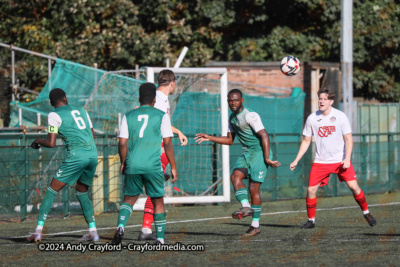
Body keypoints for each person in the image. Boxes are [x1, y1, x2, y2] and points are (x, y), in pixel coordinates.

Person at [195, 89, 281, 236]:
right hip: (247, 153)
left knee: (253, 189)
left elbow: (264, 136)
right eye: (230, 100)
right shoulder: (232, 118)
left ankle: (255, 225)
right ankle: (246, 206)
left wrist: (267, 158)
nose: (233, 103)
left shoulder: (250, 115)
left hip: (260, 153)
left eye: (236, 100)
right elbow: (229, 140)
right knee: (235, 177)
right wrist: (209, 137)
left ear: (242, 100)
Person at [290, 87, 377, 229]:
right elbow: (306, 141)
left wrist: (347, 159)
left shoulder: (340, 116)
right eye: (320, 98)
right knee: (311, 190)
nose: (321, 101)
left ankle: (366, 212)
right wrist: (296, 159)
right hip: (321, 162)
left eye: (324, 99)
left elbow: (349, 139)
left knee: (353, 187)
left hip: (340, 160)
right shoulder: (312, 118)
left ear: (331, 101)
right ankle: (311, 221)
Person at [28, 88, 99, 243]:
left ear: (52, 104)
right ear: (65, 99)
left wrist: (38, 141)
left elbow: (51, 143)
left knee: (51, 190)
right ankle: (93, 232)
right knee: (81, 192)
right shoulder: (82, 110)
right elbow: (91, 134)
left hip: (76, 156)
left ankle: (38, 231)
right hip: (93, 154)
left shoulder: (54, 115)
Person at [112, 82, 177, 245]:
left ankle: (120, 226)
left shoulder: (128, 116)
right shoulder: (161, 116)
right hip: (153, 165)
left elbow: (122, 143)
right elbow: (168, 143)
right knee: (158, 200)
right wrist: (173, 166)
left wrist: (123, 162)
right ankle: (160, 239)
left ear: (139, 98)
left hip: (132, 164)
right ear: (154, 99)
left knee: (129, 199)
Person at [139, 69, 188, 241]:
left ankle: (145, 228)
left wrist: (178, 131)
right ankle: (145, 229)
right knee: (155, 191)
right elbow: (149, 119)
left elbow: (163, 123)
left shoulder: (163, 99)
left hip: (159, 149)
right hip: (157, 149)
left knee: (154, 191)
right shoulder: (158, 99)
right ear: (172, 82)